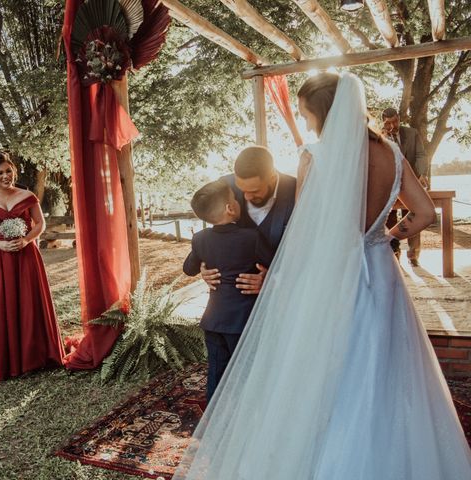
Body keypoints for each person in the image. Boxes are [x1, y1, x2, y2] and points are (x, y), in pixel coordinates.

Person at [174, 73, 471, 479]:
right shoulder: (392, 155)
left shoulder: (315, 155)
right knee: (386, 363)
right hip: (380, 273)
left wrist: (283, 282)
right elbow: (424, 214)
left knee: (325, 367)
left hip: (333, 276)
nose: (307, 122)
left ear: (325, 114)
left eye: (307, 114)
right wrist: (382, 236)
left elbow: (305, 232)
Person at [0, 151, 64, 380]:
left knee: (29, 302)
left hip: (27, 257)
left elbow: (40, 224)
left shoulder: (27, 195)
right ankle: (9, 359)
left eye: (8, 171)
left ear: (14, 171)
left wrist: (25, 239)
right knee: (5, 304)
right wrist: (0, 245)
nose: (6, 176)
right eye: (0, 173)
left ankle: (35, 356)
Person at [183, 180, 274, 401]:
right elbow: (274, 262)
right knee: (246, 372)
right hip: (242, 321)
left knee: (216, 372)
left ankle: (215, 416)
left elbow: (188, 269)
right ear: (230, 208)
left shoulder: (200, 238)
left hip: (214, 321)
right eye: (235, 198)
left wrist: (204, 264)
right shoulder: (251, 238)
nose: (238, 201)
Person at [201, 146, 296, 295]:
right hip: (235, 302)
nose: (246, 197)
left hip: (281, 296)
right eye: (242, 189)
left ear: (272, 177)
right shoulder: (225, 185)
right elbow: (217, 235)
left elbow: (307, 250)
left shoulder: (296, 190)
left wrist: (274, 280)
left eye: (254, 191)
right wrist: (205, 267)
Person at [382, 107, 428, 266]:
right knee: (391, 219)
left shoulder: (412, 133)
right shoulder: (380, 137)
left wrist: (422, 174)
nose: (393, 125)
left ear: (399, 118)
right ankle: (394, 255)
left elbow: (421, 155)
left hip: (411, 182)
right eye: (389, 123)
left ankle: (413, 255)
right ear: (383, 122)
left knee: (414, 215)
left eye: (395, 121)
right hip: (390, 185)